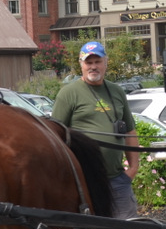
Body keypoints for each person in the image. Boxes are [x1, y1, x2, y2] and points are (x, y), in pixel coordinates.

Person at [51, 41, 140, 219]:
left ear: (106, 62)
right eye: (88, 62)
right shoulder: (68, 94)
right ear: (81, 64)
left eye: (97, 61)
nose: (93, 66)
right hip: (84, 181)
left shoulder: (116, 91)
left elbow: (130, 131)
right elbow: (55, 136)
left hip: (117, 180)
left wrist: (133, 168)